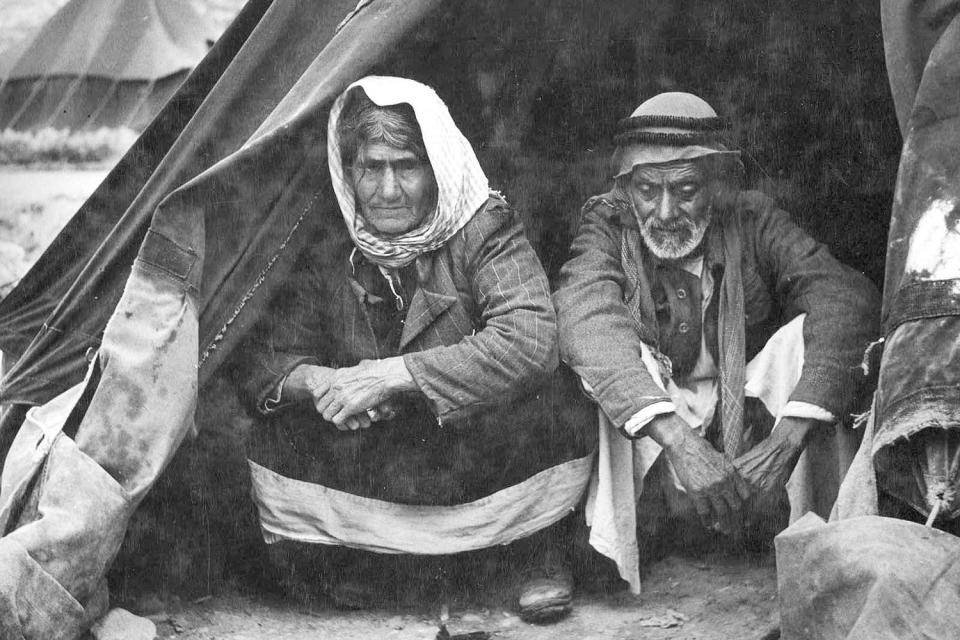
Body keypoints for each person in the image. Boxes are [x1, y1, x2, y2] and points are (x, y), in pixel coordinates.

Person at [236, 76, 594, 622]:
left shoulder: (483, 225)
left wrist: (393, 375)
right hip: (383, 450)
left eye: (406, 166)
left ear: (437, 167)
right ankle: (375, 566)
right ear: (347, 170)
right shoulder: (328, 238)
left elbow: (530, 339)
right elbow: (266, 354)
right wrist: (321, 385)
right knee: (274, 434)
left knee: (560, 405)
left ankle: (532, 555)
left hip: (476, 442)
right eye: (370, 167)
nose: (387, 189)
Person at [553, 92, 880, 591]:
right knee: (608, 358)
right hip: (661, 420)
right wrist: (679, 440)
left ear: (718, 186)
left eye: (685, 189)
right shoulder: (609, 223)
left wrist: (788, 436)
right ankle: (616, 558)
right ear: (627, 188)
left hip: (746, 420)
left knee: (808, 345)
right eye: (647, 190)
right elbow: (584, 314)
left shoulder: (751, 219)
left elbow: (845, 297)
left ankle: (823, 555)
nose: (663, 212)